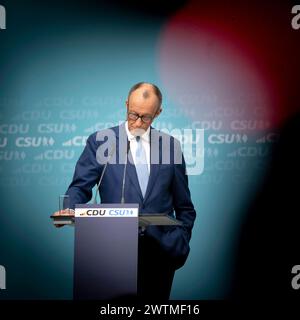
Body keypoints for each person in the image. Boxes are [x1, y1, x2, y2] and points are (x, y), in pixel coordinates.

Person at [54, 82, 196, 300]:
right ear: (126, 104)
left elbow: (184, 205)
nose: (138, 122)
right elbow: (80, 186)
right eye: (133, 114)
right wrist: (69, 208)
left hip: (159, 253)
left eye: (146, 117)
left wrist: (180, 240)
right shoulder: (102, 142)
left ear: (158, 113)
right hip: (111, 251)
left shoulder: (170, 146)